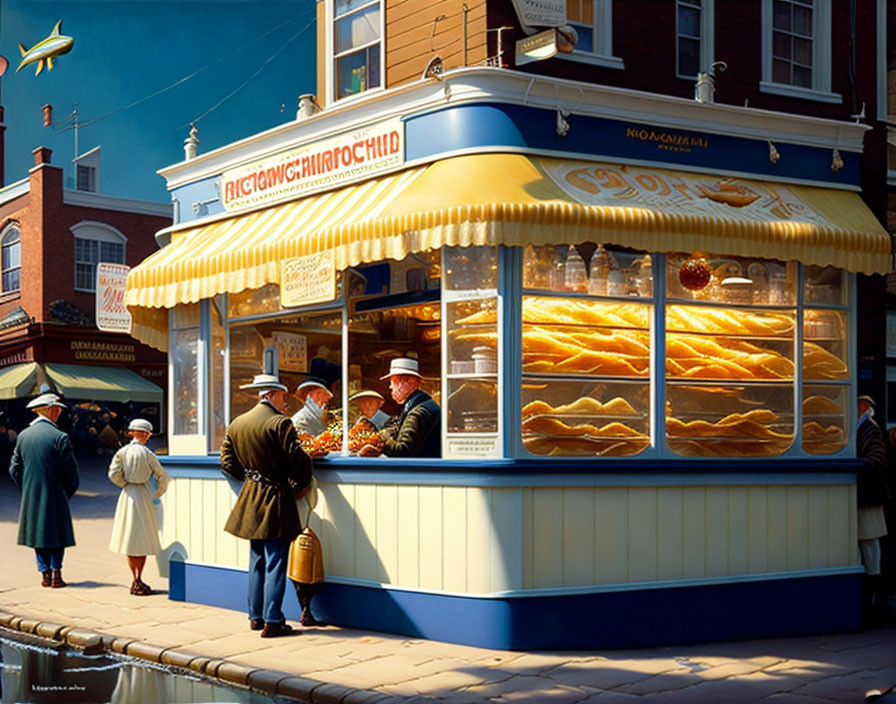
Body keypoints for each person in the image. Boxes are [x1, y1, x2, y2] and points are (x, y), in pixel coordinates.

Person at [220, 373, 313, 638]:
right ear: (271, 394)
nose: (285, 403)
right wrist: (302, 481)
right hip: (275, 497)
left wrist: (250, 478)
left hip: (251, 496)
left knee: (256, 560)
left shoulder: (238, 423)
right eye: (283, 396)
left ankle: (255, 616)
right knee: (276, 561)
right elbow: (296, 459)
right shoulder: (280, 423)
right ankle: (274, 620)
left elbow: (226, 462)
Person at [8, 393, 79, 588]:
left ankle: (44, 573)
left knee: (37, 533)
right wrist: (66, 492)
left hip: (32, 493)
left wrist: (27, 487)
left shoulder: (23, 436)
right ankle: (57, 572)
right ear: (53, 410)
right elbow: (72, 474)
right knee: (57, 533)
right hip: (56, 493)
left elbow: (14, 468)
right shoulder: (60, 437)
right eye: (57, 410)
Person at [107, 418, 171, 596]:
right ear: (146, 434)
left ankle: (135, 578)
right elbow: (162, 476)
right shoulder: (148, 454)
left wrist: (125, 483)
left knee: (130, 537)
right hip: (142, 495)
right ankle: (138, 579)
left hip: (128, 494)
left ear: (131, 433)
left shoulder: (123, 452)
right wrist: (159, 491)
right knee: (141, 539)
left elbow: (113, 474)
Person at [856, 395, 893, 625]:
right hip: (867, 495)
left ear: (863, 407)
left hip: (869, 496)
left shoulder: (869, 428)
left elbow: (877, 458)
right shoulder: (864, 427)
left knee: (869, 543)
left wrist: (863, 464)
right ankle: (874, 593)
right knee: (867, 543)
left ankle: (875, 593)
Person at [358, 357, 440, 458]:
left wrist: (381, 438)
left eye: (392, 382)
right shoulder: (421, 404)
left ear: (405, 383)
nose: (390, 387)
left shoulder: (418, 412)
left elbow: (402, 451)